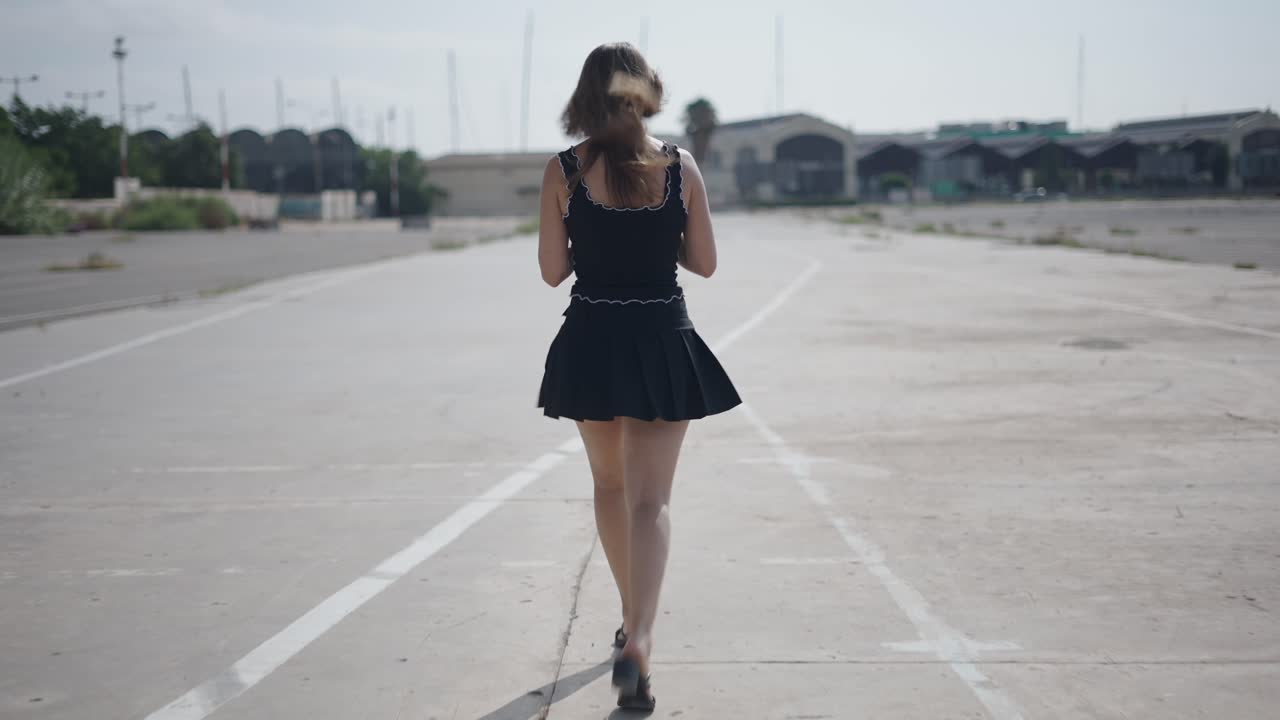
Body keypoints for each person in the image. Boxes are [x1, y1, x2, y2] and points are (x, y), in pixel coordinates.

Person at [536, 42, 741, 712]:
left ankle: (629, 620)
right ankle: (641, 642)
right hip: (660, 338)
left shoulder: (564, 170)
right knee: (650, 504)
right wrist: (663, 237)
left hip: (592, 339)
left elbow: (552, 270)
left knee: (608, 486)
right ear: (647, 92)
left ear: (585, 98)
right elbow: (704, 263)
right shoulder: (680, 166)